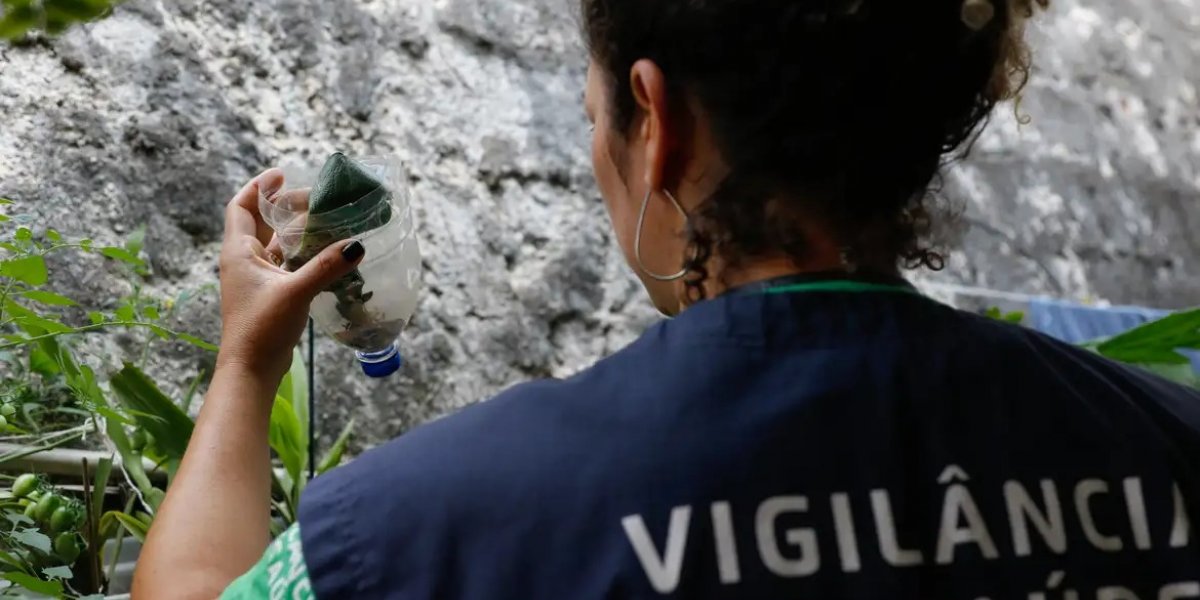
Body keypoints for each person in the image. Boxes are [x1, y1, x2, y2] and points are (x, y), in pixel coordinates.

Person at [134, 0, 1200, 597]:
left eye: (600, 114)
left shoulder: (418, 532)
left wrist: (245, 366)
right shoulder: (1170, 442)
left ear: (659, 124)